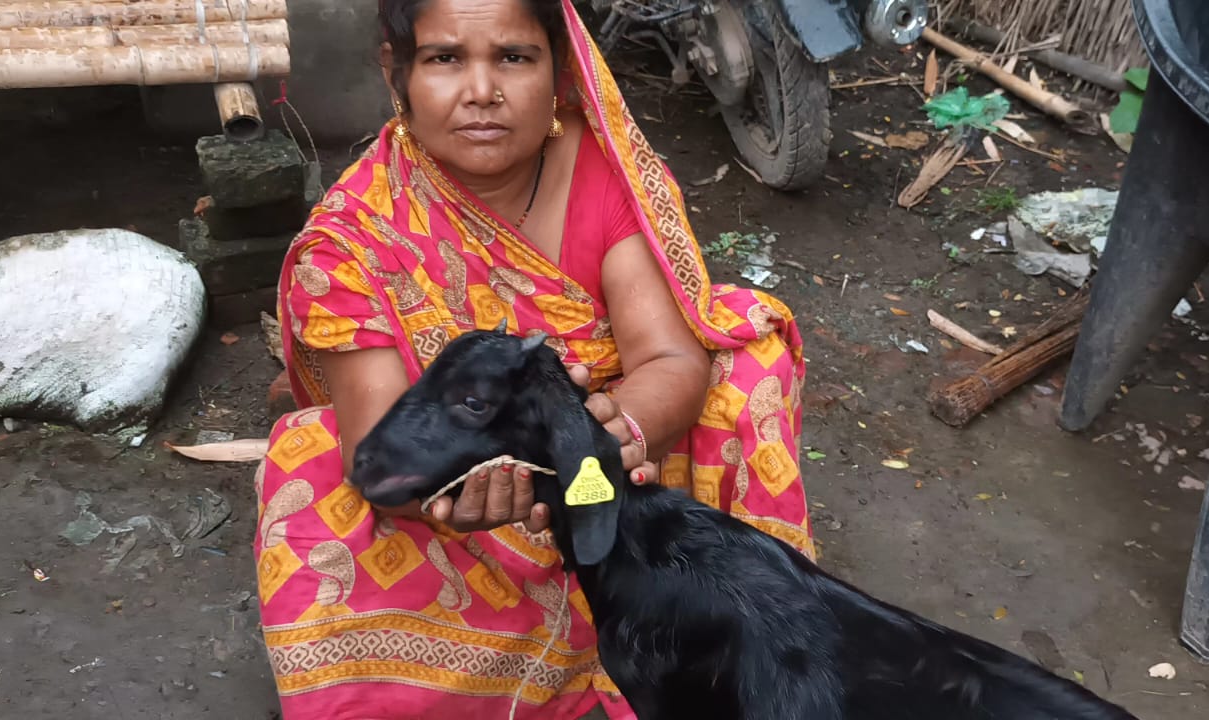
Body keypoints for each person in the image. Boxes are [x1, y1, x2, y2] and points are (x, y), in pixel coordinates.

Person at [253, 0, 811, 716]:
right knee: (309, 471)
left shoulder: (606, 171)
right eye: (446, 58)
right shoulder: (351, 241)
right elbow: (384, 460)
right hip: (454, 503)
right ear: (397, 72)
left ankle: (719, 633)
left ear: (559, 68)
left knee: (747, 362)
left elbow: (670, 356)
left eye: (513, 58)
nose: (482, 91)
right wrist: (477, 482)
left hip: (615, 470)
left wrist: (596, 450)